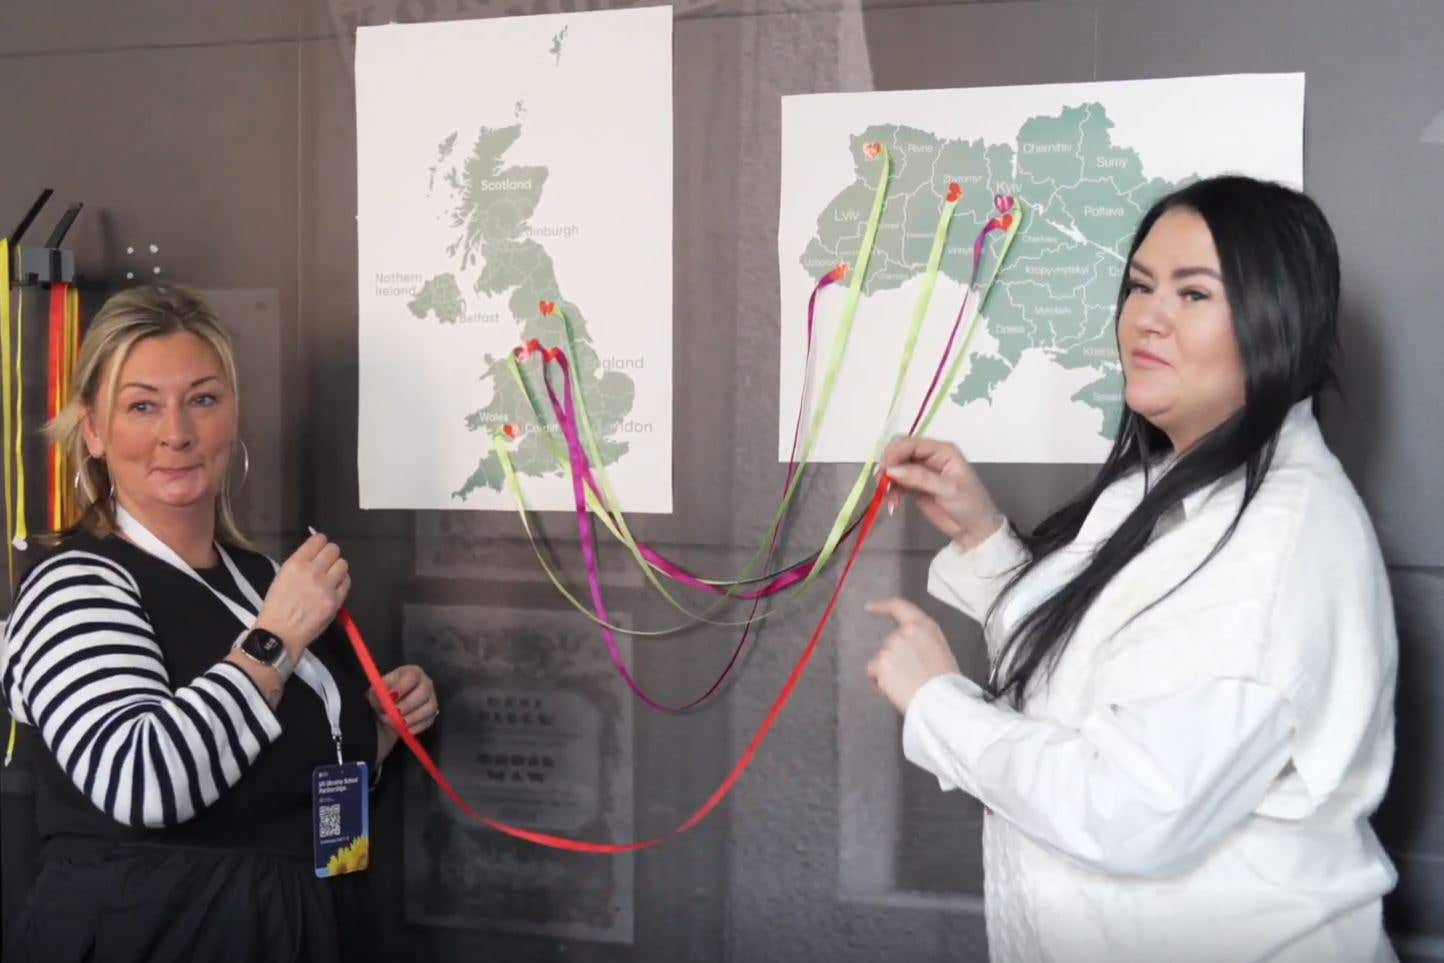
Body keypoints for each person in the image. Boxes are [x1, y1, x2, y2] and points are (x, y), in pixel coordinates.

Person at [867, 176, 1398, 963]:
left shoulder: (1279, 543)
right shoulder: (1168, 483)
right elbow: (1094, 677)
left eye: (1193, 295)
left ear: (1277, 323)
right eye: (1141, 285)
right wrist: (983, 538)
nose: (1146, 317)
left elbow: (1130, 809)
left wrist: (940, 705)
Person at [1, 283, 440, 962]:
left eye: (202, 400)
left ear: (231, 416)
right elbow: (140, 779)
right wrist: (276, 640)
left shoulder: (261, 577)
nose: (176, 433)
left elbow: (269, 795)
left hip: (300, 924)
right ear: (92, 428)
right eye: (141, 405)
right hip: (153, 932)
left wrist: (375, 731)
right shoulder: (76, 584)